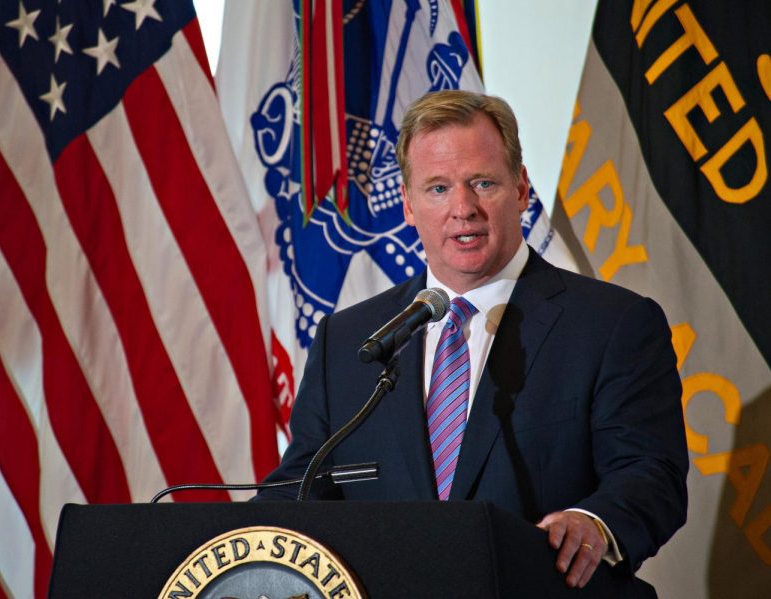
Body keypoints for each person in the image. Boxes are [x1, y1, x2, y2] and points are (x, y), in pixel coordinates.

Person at [255, 90, 688, 589]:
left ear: (522, 190)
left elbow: (649, 473)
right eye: (437, 188)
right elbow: (298, 490)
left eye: (483, 183)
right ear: (408, 205)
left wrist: (593, 523)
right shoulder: (350, 341)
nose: (463, 208)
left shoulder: (614, 324)